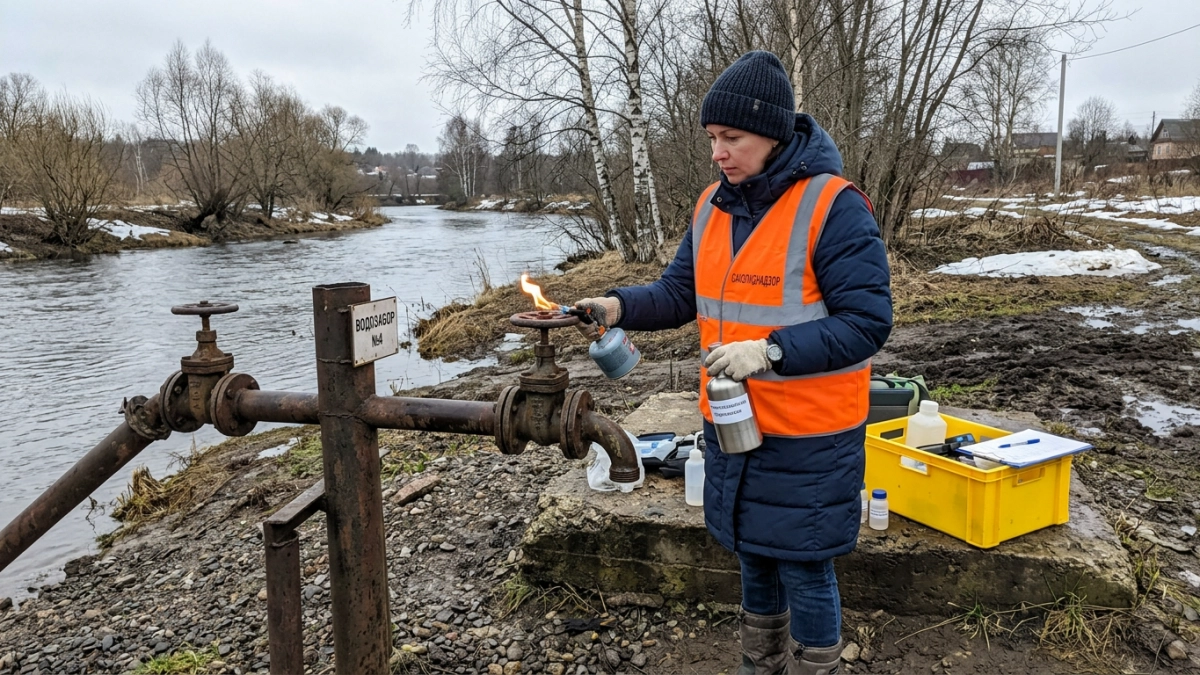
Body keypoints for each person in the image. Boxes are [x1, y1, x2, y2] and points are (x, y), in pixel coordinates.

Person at [572, 50, 892, 675]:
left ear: (772, 135)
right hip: (731, 423)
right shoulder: (711, 207)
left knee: (804, 564)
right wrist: (616, 305)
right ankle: (759, 666)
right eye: (712, 138)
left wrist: (769, 350)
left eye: (732, 138)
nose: (718, 152)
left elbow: (866, 323)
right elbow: (678, 293)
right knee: (751, 552)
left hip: (810, 433)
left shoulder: (833, 206)